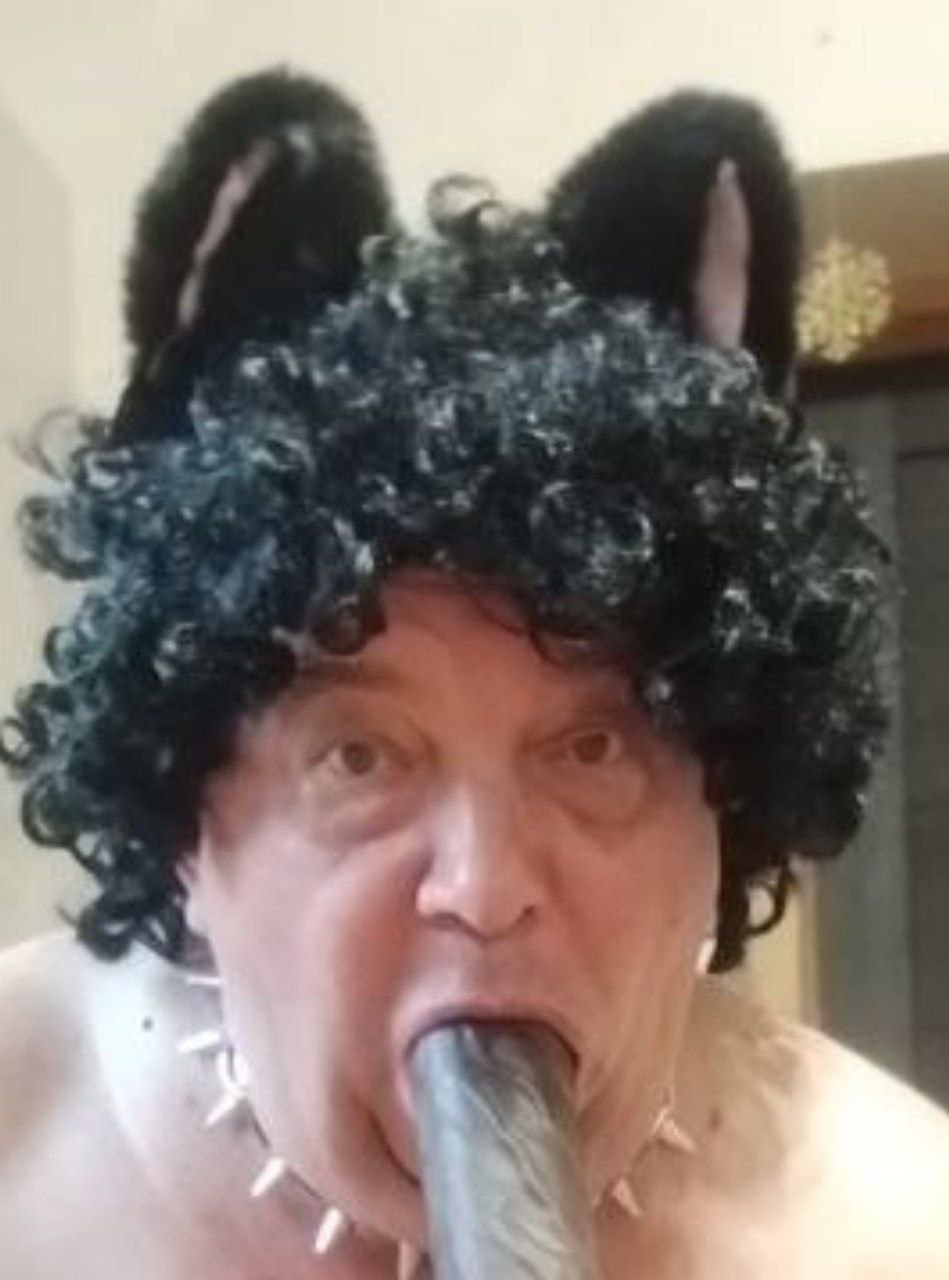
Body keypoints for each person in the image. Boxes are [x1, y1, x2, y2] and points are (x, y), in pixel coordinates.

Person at [0, 67, 947, 1279]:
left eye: (591, 748)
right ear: (187, 827)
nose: (484, 887)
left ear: (723, 816)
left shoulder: (900, 1231)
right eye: (359, 754)